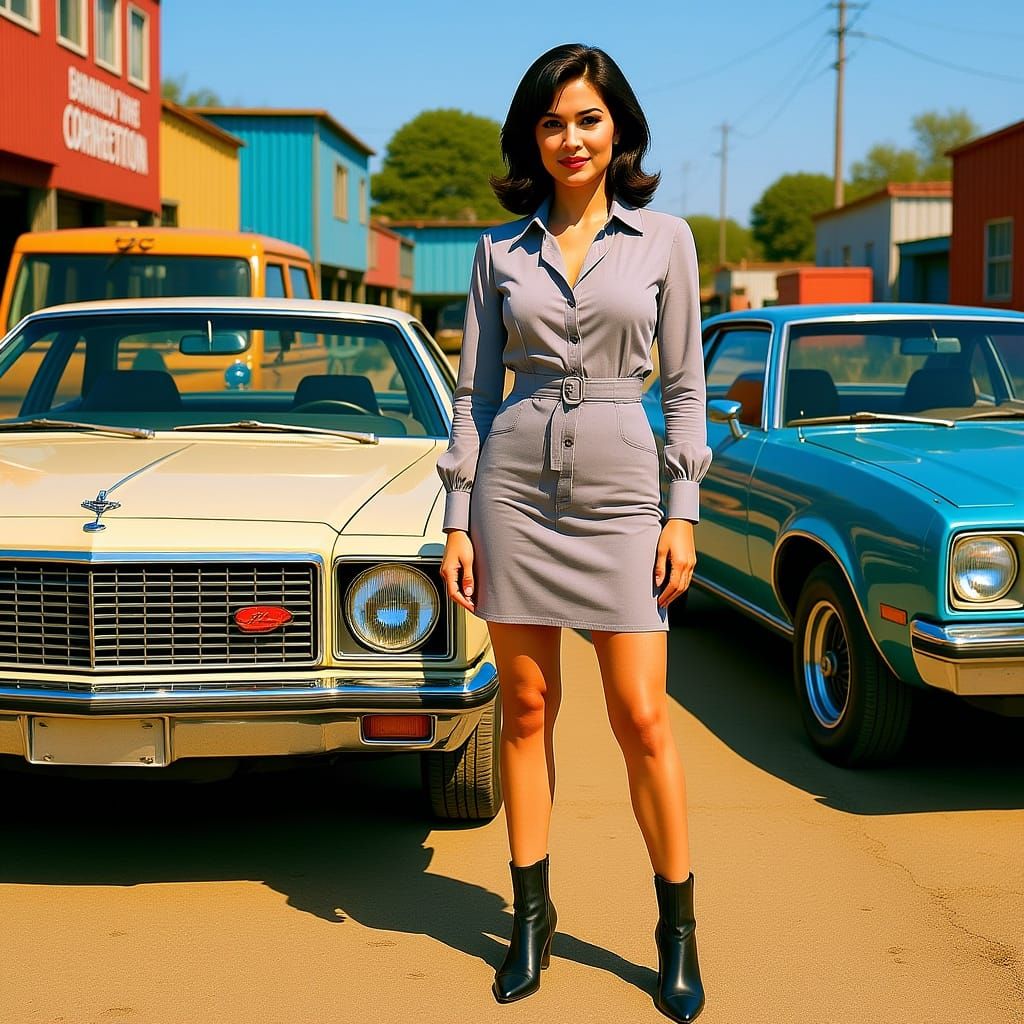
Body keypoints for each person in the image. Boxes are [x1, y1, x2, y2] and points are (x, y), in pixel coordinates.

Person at [436, 42, 712, 1024]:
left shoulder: (665, 240)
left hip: (621, 490)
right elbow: (470, 394)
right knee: (523, 707)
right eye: (552, 122)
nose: (570, 138)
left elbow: (684, 390)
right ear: (533, 137)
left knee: (641, 717)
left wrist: (681, 512)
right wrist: (458, 520)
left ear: (618, 129)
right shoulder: (496, 252)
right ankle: (530, 917)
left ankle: (673, 929)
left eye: (587, 119)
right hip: (513, 487)